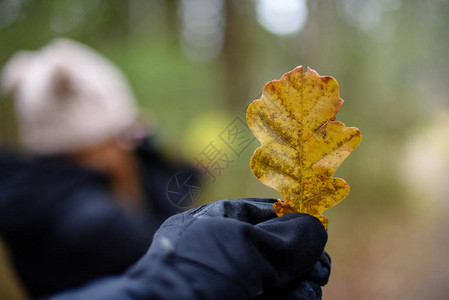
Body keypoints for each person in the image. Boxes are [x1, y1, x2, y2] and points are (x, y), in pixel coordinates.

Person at [0, 39, 331, 299]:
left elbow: (165, 195)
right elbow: (160, 246)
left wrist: (190, 168)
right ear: (96, 144)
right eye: (123, 134)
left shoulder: (43, 194)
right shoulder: (90, 220)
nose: (133, 144)